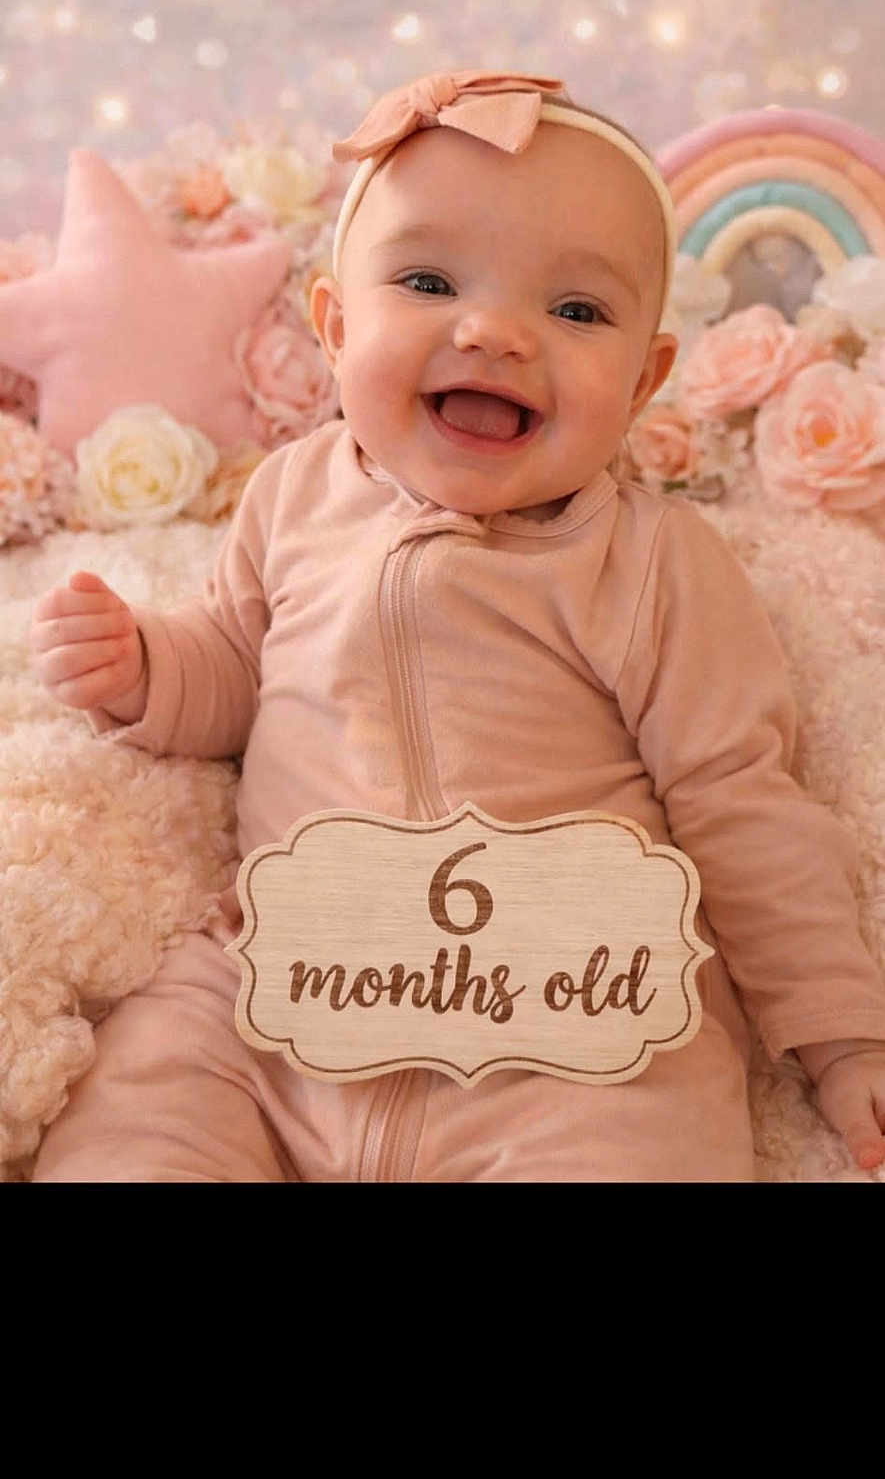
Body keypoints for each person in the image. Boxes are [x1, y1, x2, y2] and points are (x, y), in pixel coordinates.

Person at [28, 69, 885, 1183]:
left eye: (576, 311)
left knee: (640, 1145)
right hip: (288, 991)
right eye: (428, 281)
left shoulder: (651, 562)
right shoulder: (293, 494)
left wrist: (840, 1031)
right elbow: (237, 665)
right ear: (336, 328)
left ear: (642, 384)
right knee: (144, 1100)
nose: (495, 332)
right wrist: (145, 667)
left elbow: (741, 801)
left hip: (572, 1023)